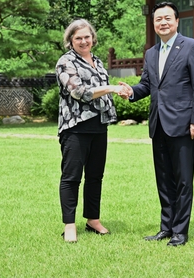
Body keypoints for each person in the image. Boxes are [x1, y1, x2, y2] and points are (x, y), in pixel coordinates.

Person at [119, 1, 194, 246]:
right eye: (158, 19)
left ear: (177, 21)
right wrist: (131, 92)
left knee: (182, 180)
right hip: (158, 125)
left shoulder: (191, 47)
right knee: (164, 179)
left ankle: (180, 231)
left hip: (183, 125)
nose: (163, 22)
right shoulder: (151, 53)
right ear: (154, 23)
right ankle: (166, 227)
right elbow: (148, 86)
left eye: (168, 18)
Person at [56, 18, 123, 243]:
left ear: (93, 38)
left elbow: (100, 91)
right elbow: (79, 92)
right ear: (70, 41)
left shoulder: (98, 61)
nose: (83, 41)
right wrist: (112, 88)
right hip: (75, 128)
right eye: (78, 38)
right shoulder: (65, 62)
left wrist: (117, 91)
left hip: (98, 126)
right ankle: (70, 224)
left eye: (87, 37)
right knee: (71, 177)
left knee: (95, 176)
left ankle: (93, 219)